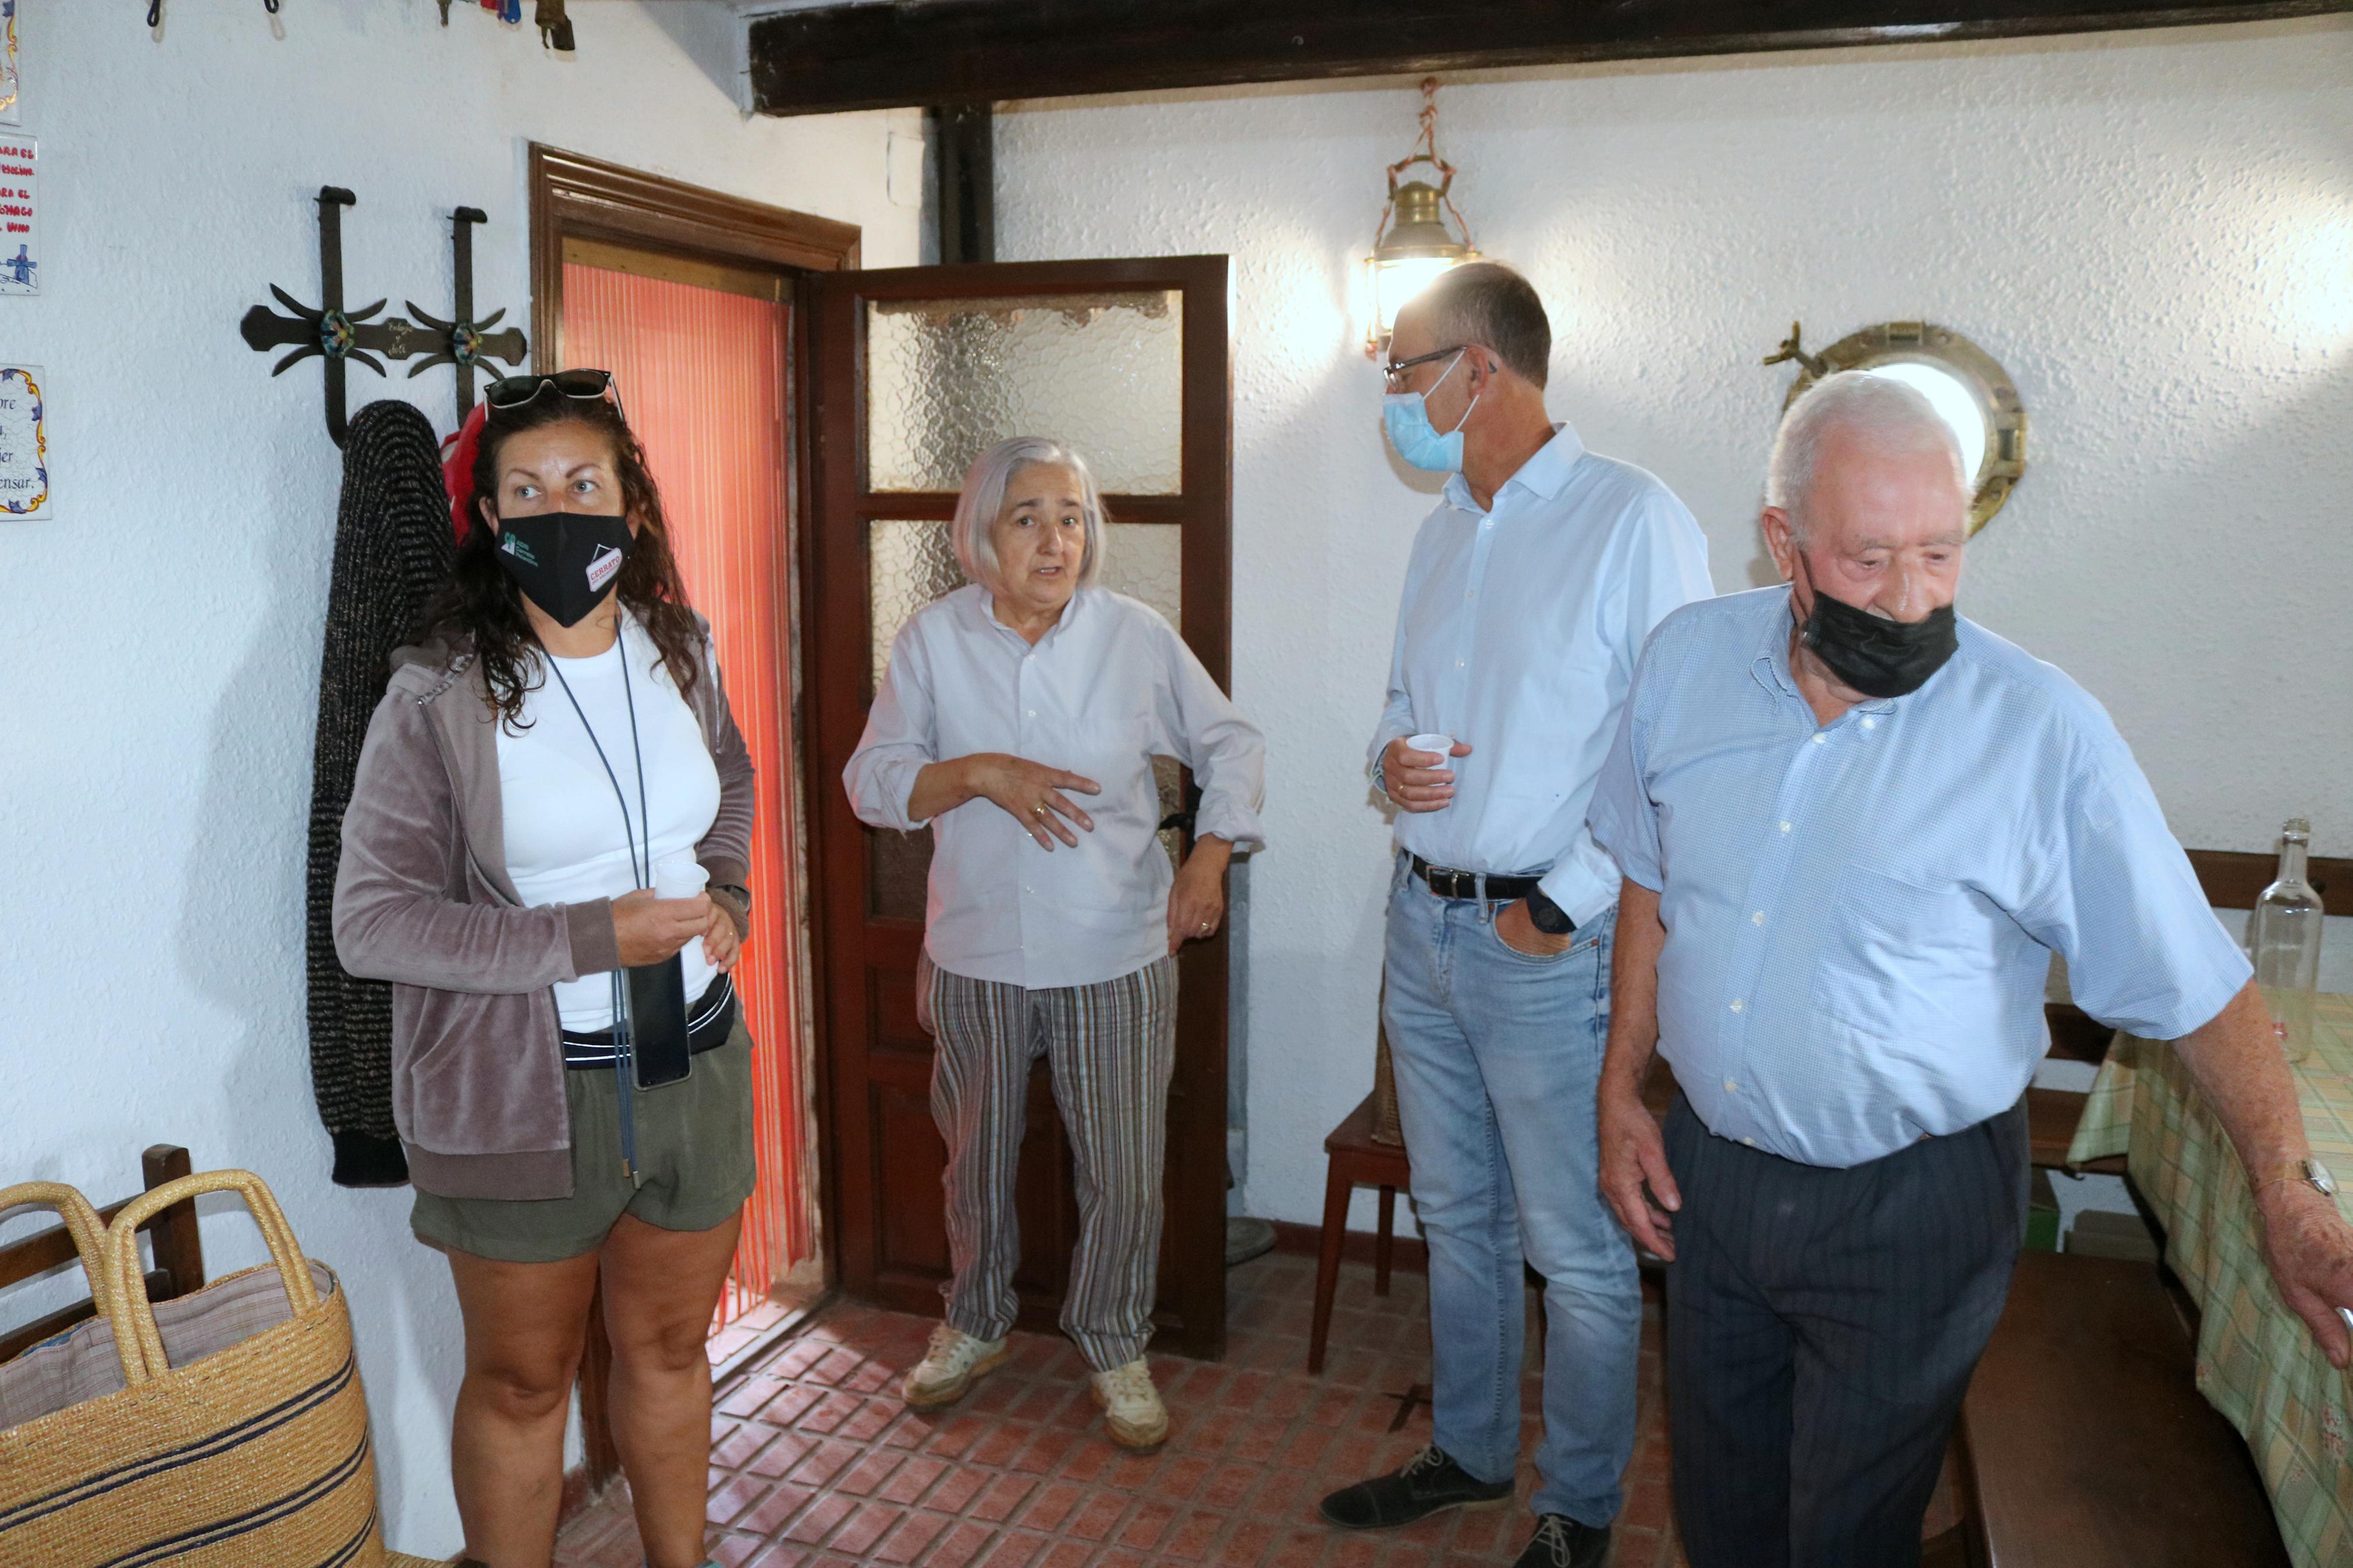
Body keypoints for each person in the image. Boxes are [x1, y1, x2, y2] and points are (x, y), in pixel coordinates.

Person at [1588, 370, 2353, 1567]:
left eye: (1940, 557)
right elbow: (1647, 876)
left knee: (1843, 1536)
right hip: (1718, 1180)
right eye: (1868, 560)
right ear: (1783, 542)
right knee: (1724, 1517)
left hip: (1915, 1201)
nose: (1908, 601)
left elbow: (2197, 982)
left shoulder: (2039, 732)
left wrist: (2287, 1183)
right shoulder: (1685, 663)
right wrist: (1621, 1088)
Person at [1321, 263, 1712, 1568]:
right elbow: (1395, 698)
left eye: (1403, 366)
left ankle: (1579, 1503)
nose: (1395, 393)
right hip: (1422, 928)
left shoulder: (1631, 519)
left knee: (1580, 1247)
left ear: (1477, 369)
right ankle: (1475, 1451)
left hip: (1547, 942)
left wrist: (1561, 905)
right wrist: (1388, 764)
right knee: (1457, 1214)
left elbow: (1675, 754)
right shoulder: (1446, 525)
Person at [336, 372, 755, 1568]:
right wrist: (583, 940)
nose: (557, 509)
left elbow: (729, 781)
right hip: (523, 1096)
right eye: (526, 489)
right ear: (488, 516)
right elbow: (371, 923)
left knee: (672, 1355)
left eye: (585, 484)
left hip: (695, 1063)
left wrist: (724, 890)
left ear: (633, 507)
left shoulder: (682, 644)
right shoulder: (436, 693)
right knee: (522, 1384)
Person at [844, 435, 1266, 1450]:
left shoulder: (1134, 634)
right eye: (1028, 516)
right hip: (977, 951)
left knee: (1123, 1170)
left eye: (1071, 516)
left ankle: (1114, 1341)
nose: (1055, 539)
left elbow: (1231, 743)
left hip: (1118, 946)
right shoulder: (934, 642)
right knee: (975, 1162)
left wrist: (1210, 859)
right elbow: (872, 782)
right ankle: (975, 1321)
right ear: (982, 533)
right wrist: (983, 770)